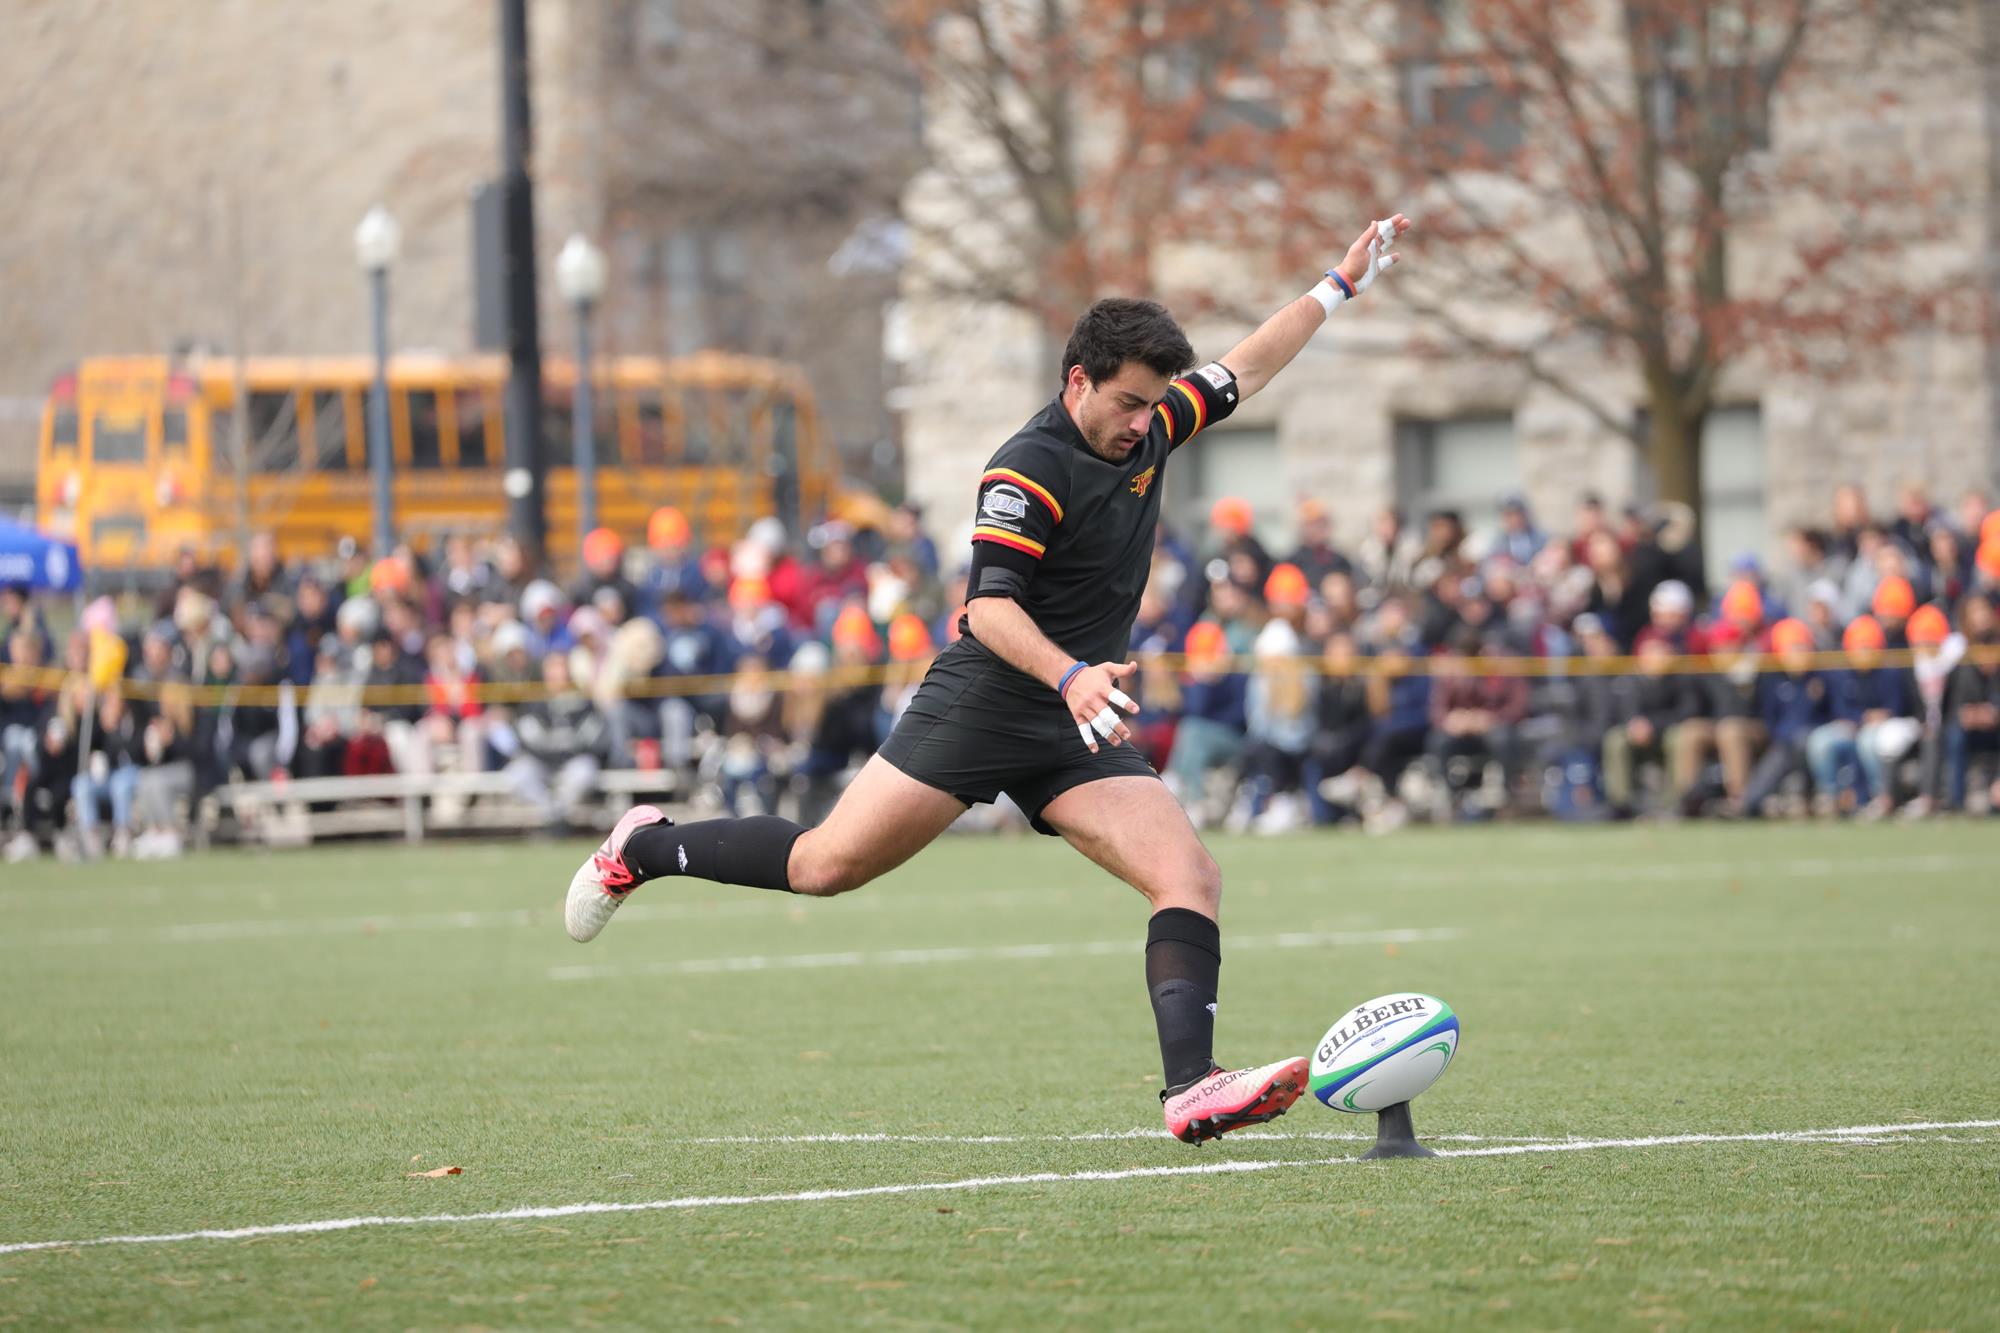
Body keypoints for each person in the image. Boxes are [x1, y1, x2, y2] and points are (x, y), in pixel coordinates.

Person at [563, 215, 1413, 1143]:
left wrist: (1339, 282)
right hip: (992, 695)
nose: (1144, 423)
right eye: (1128, 403)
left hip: (1071, 714)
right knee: (824, 865)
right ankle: (643, 848)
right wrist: (1072, 673)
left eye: (1153, 405)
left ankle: (1191, 1087)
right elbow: (988, 611)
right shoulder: (1025, 467)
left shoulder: (1154, 424)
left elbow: (1246, 365)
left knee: (1190, 873)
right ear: (1077, 381)